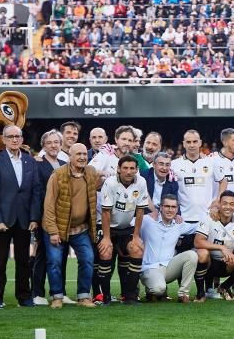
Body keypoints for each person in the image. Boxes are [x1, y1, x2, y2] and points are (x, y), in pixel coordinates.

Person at [0, 125, 41, 308]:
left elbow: (35, 192)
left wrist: (34, 218)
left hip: (24, 220)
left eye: (17, 136)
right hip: (3, 220)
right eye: (10, 137)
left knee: (24, 261)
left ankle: (24, 297)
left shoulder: (30, 161)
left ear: (22, 139)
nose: (14, 139)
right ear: (4, 139)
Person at [42, 143, 99, 309]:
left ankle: (83, 296)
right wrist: (53, 231)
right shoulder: (57, 175)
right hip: (57, 228)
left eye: (84, 154)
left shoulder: (91, 172)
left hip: (80, 228)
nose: (82, 157)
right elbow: (49, 205)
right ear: (70, 157)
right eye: (78, 154)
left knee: (88, 259)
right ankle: (57, 297)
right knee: (54, 261)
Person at [97, 155, 148, 305]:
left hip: (126, 228)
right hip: (108, 227)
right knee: (105, 252)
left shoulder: (141, 182)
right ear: (118, 169)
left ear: (136, 170)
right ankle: (105, 296)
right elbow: (105, 212)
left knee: (137, 249)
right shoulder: (110, 183)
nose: (128, 171)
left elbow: (140, 211)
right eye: (125, 168)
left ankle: (130, 296)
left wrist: (136, 236)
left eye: (132, 168)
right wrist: (106, 238)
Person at [32, 129, 74, 306]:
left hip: (64, 218)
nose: (53, 145)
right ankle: (37, 293)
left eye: (56, 142)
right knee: (43, 255)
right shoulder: (37, 163)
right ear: (44, 145)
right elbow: (36, 192)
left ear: (61, 144)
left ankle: (60, 291)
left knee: (62, 255)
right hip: (46, 216)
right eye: (49, 143)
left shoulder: (65, 163)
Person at [194, 191, 234, 301]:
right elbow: (198, 242)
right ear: (219, 205)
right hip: (210, 263)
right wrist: (222, 248)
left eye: (232, 204)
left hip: (228, 264)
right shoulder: (208, 216)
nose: (228, 207)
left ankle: (225, 287)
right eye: (225, 203)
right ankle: (200, 293)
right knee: (202, 253)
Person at [139, 194, 199, 303]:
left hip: (169, 267)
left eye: (173, 207)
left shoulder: (178, 224)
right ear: (160, 207)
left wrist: (214, 215)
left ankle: (183, 294)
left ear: (177, 209)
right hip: (150, 268)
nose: (170, 210)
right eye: (167, 206)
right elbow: (128, 223)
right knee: (159, 289)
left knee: (192, 255)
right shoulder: (147, 220)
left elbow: (199, 226)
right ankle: (150, 290)